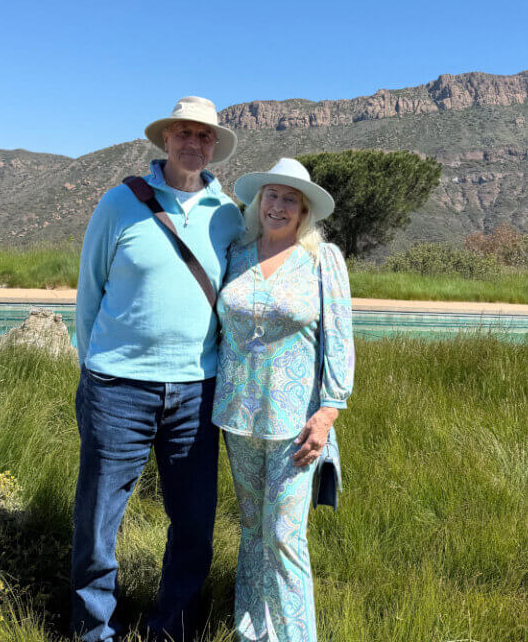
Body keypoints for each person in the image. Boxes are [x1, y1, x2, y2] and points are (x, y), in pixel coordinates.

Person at [71, 96, 244, 642]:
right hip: (117, 389)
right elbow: (88, 295)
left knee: (194, 522)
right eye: (184, 134)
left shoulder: (230, 215)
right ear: (165, 139)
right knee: (99, 521)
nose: (194, 143)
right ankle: (93, 628)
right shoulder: (119, 204)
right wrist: (97, 367)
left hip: (197, 391)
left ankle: (172, 628)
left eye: (204, 136)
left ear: (213, 145)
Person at [212, 157, 355, 642]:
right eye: (271, 195)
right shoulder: (235, 254)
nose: (278, 205)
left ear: (303, 210)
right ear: (258, 202)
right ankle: (251, 632)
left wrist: (329, 411)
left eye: (289, 199)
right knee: (252, 533)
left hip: (296, 423)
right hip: (237, 416)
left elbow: (339, 336)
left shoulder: (321, 260)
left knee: (284, 537)